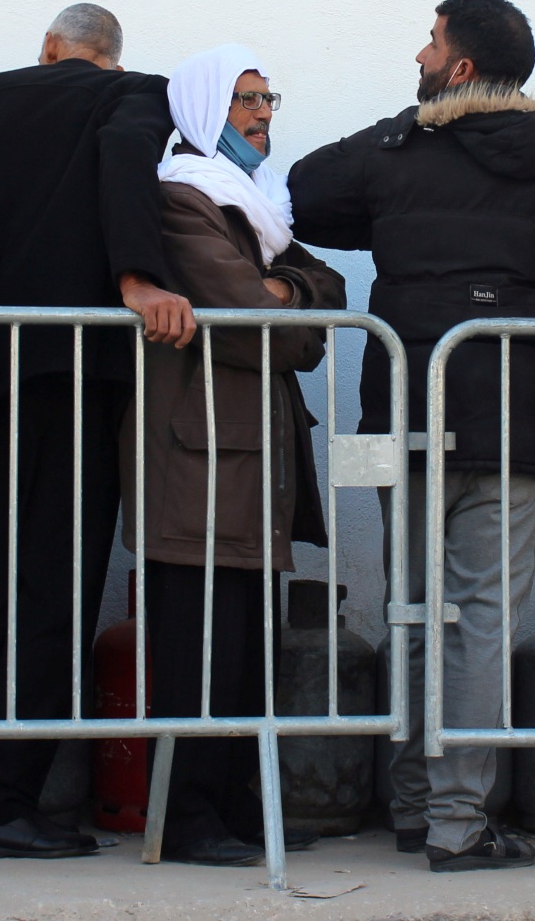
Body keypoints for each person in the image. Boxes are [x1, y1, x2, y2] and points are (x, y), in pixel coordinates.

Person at [290, 0, 535, 872]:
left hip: (407, 409)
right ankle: (456, 819)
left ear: (462, 68)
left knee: (413, 607)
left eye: (432, 44)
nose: (420, 54)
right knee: (482, 617)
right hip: (514, 416)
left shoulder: (401, 148)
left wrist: (409, 135)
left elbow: (307, 194)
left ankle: (416, 805)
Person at [0, 2, 194, 861]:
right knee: (54, 589)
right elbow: (123, 162)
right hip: (72, 375)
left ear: (48, 46)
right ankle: (1, 804)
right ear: (106, 59)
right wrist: (138, 276)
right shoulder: (132, 95)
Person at [124, 44, 344, 866]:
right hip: (199, 457)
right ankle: (187, 820)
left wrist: (290, 292)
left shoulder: (257, 205)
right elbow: (263, 323)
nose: (262, 114)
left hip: (248, 457)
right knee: (196, 647)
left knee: (246, 646)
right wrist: (287, 297)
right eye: (244, 100)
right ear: (202, 111)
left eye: (268, 99)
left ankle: (237, 806)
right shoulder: (185, 195)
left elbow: (322, 286)